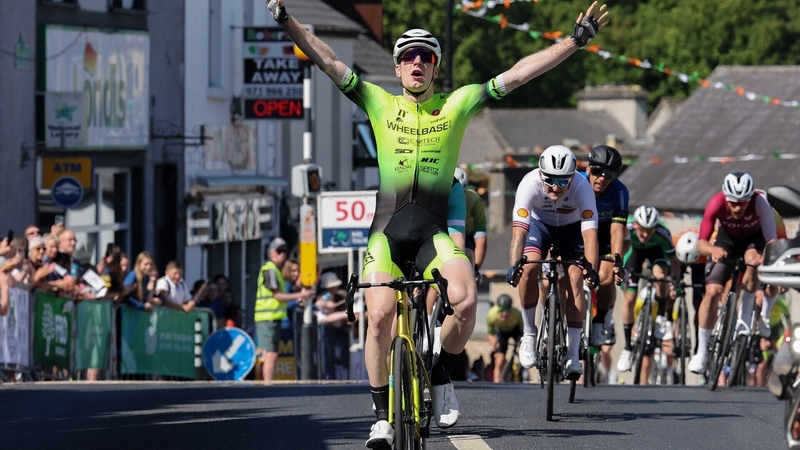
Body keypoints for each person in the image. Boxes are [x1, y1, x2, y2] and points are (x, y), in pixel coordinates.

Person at [264, 0, 609, 444]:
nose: (417, 63)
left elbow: (521, 74)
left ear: (435, 67)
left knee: (465, 300)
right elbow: (328, 60)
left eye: (426, 56)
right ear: (397, 65)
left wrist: (573, 43)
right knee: (380, 314)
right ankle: (380, 413)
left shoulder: (458, 104)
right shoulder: (377, 101)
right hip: (387, 232)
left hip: (432, 232)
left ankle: (440, 374)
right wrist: (286, 20)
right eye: (408, 56)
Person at [507, 144, 600, 380]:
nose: (555, 187)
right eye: (549, 180)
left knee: (576, 278)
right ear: (540, 174)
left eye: (562, 181)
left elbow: (590, 235)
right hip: (540, 227)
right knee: (528, 269)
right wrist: (514, 264)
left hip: (571, 230)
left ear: (573, 177)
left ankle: (572, 353)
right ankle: (529, 335)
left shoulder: (583, 187)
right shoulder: (528, 184)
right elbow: (518, 233)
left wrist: (591, 267)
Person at [689, 172, 778, 374]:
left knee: (752, 260)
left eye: (743, 203)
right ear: (726, 197)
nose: (738, 207)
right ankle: (702, 351)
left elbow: (771, 241)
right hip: (725, 242)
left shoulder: (760, 203)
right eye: (733, 203)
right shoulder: (716, 203)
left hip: (752, 241)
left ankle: (745, 310)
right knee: (712, 292)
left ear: (750, 198)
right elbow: (701, 243)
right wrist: (712, 250)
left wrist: (766, 260)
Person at [616, 206, 680, 384]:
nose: (645, 235)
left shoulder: (662, 233)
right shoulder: (627, 228)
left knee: (661, 278)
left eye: (649, 231)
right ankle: (628, 348)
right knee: (629, 299)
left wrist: (673, 281)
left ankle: (660, 316)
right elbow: (618, 249)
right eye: (642, 230)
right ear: (635, 225)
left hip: (655, 253)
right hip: (633, 254)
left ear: (655, 228)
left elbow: (673, 261)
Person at [582, 146, 627, 383]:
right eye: (597, 171)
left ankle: (600, 321)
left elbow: (617, 232)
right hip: (577, 235)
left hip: (605, 238)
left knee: (607, 276)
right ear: (588, 168)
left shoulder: (619, 192)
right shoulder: (576, 183)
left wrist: (618, 260)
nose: (601, 178)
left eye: (608, 175)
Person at [255, 237, 315, 383]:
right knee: (270, 353)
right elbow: (278, 296)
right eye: (279, 251)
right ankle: (267, 384)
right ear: (271, 253)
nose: (282, 254)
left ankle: (267, 382)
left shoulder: (275, 270)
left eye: (284, 251)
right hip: (267, 317)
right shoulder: (270, 270)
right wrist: (300, 295)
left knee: (270, 352)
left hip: (272, 316)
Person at [316, 272, 351, 380]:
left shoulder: (336, 295)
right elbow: (319, 304)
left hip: (333, 331)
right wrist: (327, 305)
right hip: (325, 331)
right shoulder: (326, 294)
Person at [454, 168, 487, 278]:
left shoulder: (474, 200)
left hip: (466, 234)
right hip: (443, 232)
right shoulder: (438, 197)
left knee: (471, 270)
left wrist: (476, 268)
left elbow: (481, 238)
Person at [485, 294, 523, 383]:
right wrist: (493, 342)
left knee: (522, 345)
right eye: (501, 311)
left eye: (507, 311)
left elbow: (522, 332)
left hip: (515, 330)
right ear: (498, 309)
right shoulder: (491, 315)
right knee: (499, 357)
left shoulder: (517, 314)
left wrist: (520, 341)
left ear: (511, 310)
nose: (504, 314)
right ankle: (497, 379)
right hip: (501, 332)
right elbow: (489, 333)